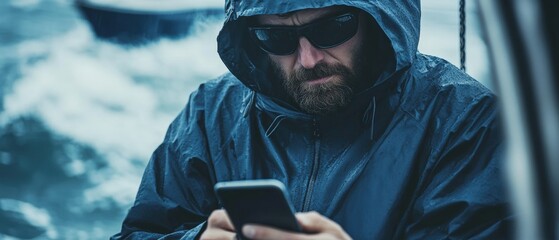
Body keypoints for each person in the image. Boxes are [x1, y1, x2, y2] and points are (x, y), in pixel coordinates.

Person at [112, 0, 513, 239]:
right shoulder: (210, 112)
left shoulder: (467, 122)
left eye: (332, 28)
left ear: (376, 19)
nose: (307, 59)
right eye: (277, 39)